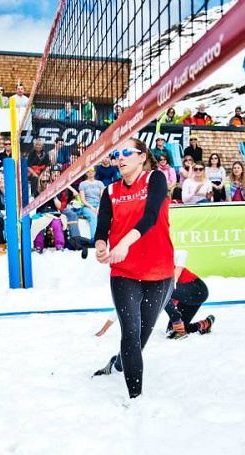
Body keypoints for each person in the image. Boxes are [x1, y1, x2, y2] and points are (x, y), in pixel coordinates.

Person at [91, 139, 174, 399]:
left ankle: (117, 364)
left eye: (128, 152)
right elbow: (102, 227)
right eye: (118, 153)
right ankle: (135, 399)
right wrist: (101, 246)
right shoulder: (111, 190)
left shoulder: (155, 179)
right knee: (130, 333)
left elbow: (150, 217)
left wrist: (124, 244)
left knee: (141, 338)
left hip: (158, 270)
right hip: (124, 270)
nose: (121, 157)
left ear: (142, 157)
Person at [165, 250, 215, 339]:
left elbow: (182, 253)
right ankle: (205, 324)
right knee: (171, 331)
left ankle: (178, 325)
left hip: (197, 289)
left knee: (162, 291)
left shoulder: (157, 259)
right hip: (186, 295)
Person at [30, 170, 65, 253]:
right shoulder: (37, 192)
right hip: (41, 214)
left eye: (47, 181)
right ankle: (38, 246)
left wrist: (53, 195)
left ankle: (59, 245)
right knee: (38, 223)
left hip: (53, 214)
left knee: (57, 223)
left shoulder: (55, 190)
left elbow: (59, 206)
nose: (45, 183)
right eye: (43, 181)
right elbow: (33, 206)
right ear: (40, 182)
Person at [78, 167, 105, 239]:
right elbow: (83, 200)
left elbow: (102, 198)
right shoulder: (82, 184)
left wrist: (99, 207)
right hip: (87, 206)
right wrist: (91, 207)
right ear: (86, 173)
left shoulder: (100, 183)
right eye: (88, 171)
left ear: (95, 172)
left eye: (92, 171)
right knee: (93, 217)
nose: (90, 173)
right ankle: (95, 238)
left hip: (99, 205)